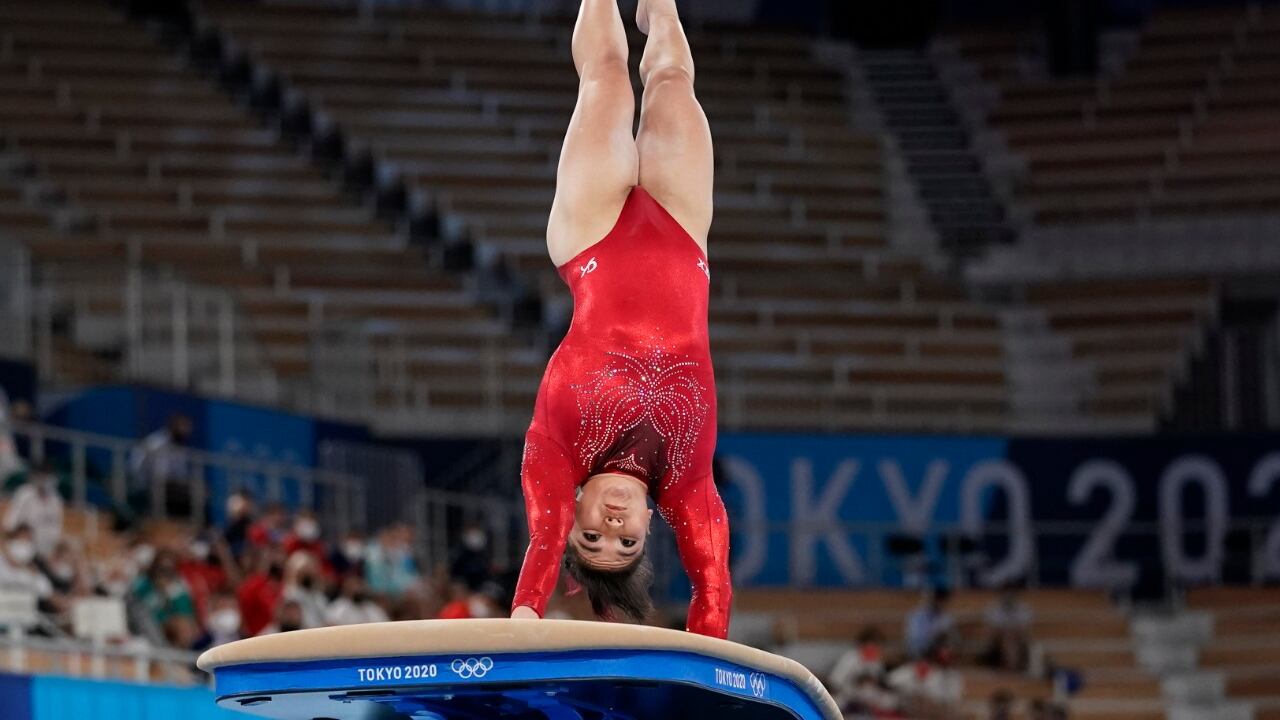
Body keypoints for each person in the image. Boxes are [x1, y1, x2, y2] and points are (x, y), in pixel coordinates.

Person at [510, 0, 728, 638]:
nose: (612, 524)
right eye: (626, 544)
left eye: (592, 537)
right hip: (683, 232)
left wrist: (525, 613)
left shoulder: (553, 457)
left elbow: (542, 541)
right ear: (650, 529)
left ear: (570, 512)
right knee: (670, 81)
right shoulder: (684, 477)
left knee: (606, 75)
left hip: (593, 238)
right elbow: (712, 586)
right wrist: (705, 656)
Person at [129, 414, 194, 515]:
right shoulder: (156, 442)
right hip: (149, 480)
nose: (185, 432)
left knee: (196, 490)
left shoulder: (181, 448)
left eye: (187, 429)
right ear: (173, 427)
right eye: (182, 428)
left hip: (171, 483)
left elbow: (181, 473)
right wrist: (140, 477)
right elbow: (137, 459)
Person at [3, 463, 63, 557]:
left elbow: (57, 531)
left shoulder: (56, 500)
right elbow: (9, 524)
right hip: (23, 545)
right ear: (36, 477)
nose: (46, 480)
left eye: (49, 476)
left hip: (46, 550)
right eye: (43, 476)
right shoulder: (24, 494)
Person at [983, 587, 1033, 672]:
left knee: (1011, 639)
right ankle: (1013, 667)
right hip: (998, 642)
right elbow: (990, 632)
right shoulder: (992, 609)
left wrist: (1011, 633)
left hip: (1018, 641)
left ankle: (1010, 667)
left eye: (1011, 594)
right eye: (1006, 594)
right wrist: (1005, 633)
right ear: (1001, 595)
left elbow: (1025, 631)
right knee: (1008, 639)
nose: (1009, 596)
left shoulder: (1024, 609)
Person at [905, 587, 954, 659]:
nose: (941, 603)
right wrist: (933, 637)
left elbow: (948, 637)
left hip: (937, 651)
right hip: (919, 652)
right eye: (938, 599)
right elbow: (914, 640)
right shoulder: (917, 616)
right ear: (932, 599)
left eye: (943, 600)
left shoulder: (946, 617)